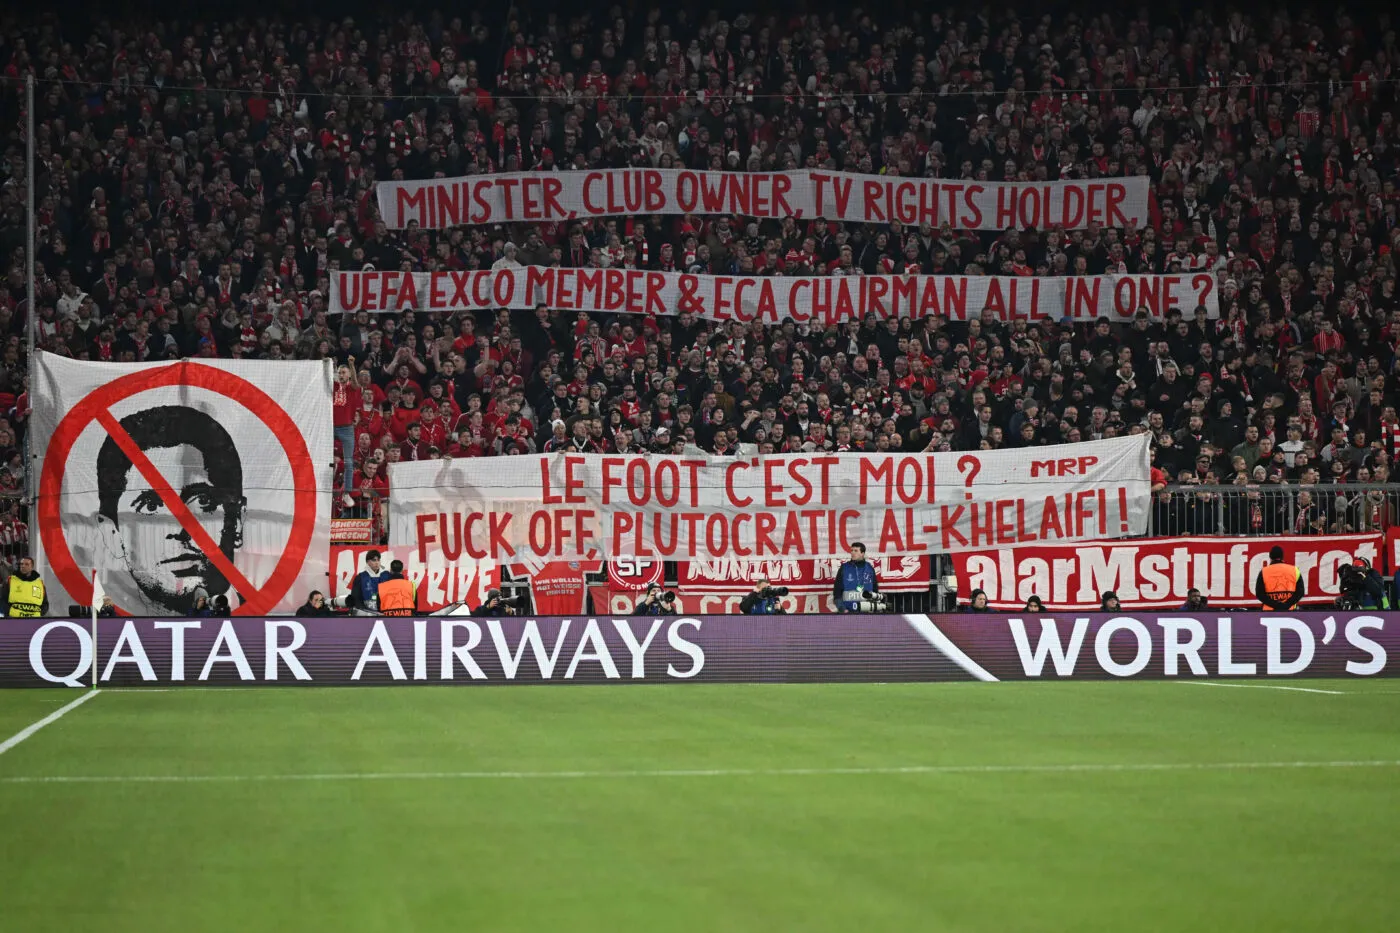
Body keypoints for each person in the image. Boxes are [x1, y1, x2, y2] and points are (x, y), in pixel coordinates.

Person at [94, 405, 246, 615]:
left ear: (237, 520)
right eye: (151, 506)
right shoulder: (110, 621)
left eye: (203, 501)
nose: (182, 532)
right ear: (111, 533)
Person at [832, 542, 879, 612]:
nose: (852, 553)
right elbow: (837, 592)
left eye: (856, 551)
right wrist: (842, 609)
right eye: (852, 550)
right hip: (848, 612)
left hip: (867, 611)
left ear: (862, 554)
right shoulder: (844, 568)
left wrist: (874, 607)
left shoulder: (869, 568)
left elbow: (875, 590)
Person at [1255, 546, 1304, 611]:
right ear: (1282, 557)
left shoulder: (1264, 572)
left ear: (1270, 557)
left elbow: (1260, 594)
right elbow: (1300, 592)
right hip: (1290, 611)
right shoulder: (1294, 570)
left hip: (1269, 612)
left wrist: (1277, 605)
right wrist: (1287, 605)